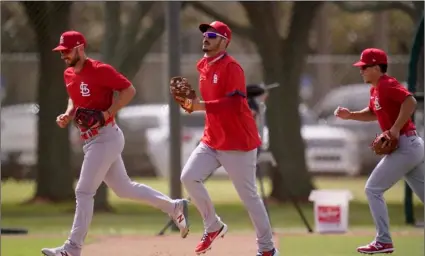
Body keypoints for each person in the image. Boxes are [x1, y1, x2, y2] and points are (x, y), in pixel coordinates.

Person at [41, 31, 190, 256]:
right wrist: (68, 113)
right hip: (92, 141)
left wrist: (107, 113)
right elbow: (74, 96)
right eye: (61, 51)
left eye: (67, 50)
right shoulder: (69, 74)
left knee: (83, 191)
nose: (63, 55)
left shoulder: (100, 70)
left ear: (80, 48)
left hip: (106, 137)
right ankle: (174, 206)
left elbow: (129, 90)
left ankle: (72, 248)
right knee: (124, 188)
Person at [179, 21, 279, 256]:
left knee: (250, 197)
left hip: (238, 143)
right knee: (189, 177)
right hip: (212, 139)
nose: (206, 37)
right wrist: (191, 103)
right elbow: (209, 101)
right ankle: (212, 224)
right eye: (205, 34)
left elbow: (234, 104)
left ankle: (267, 250)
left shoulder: (232, 67)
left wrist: (200, 105)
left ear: (224, 42)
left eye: (212, 35)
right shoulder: (202, 65)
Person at [334, 48, 424, 254]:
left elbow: (410, 101)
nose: (361, 70)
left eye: (365, 67)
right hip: (412, 146)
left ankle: (384, 240)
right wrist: (351, 115)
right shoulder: (375, 90)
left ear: (376, 67)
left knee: (372, 189)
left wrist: (394, 129)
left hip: (406, 145)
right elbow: (373, 113)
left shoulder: (386, 85)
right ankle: (383, 240)